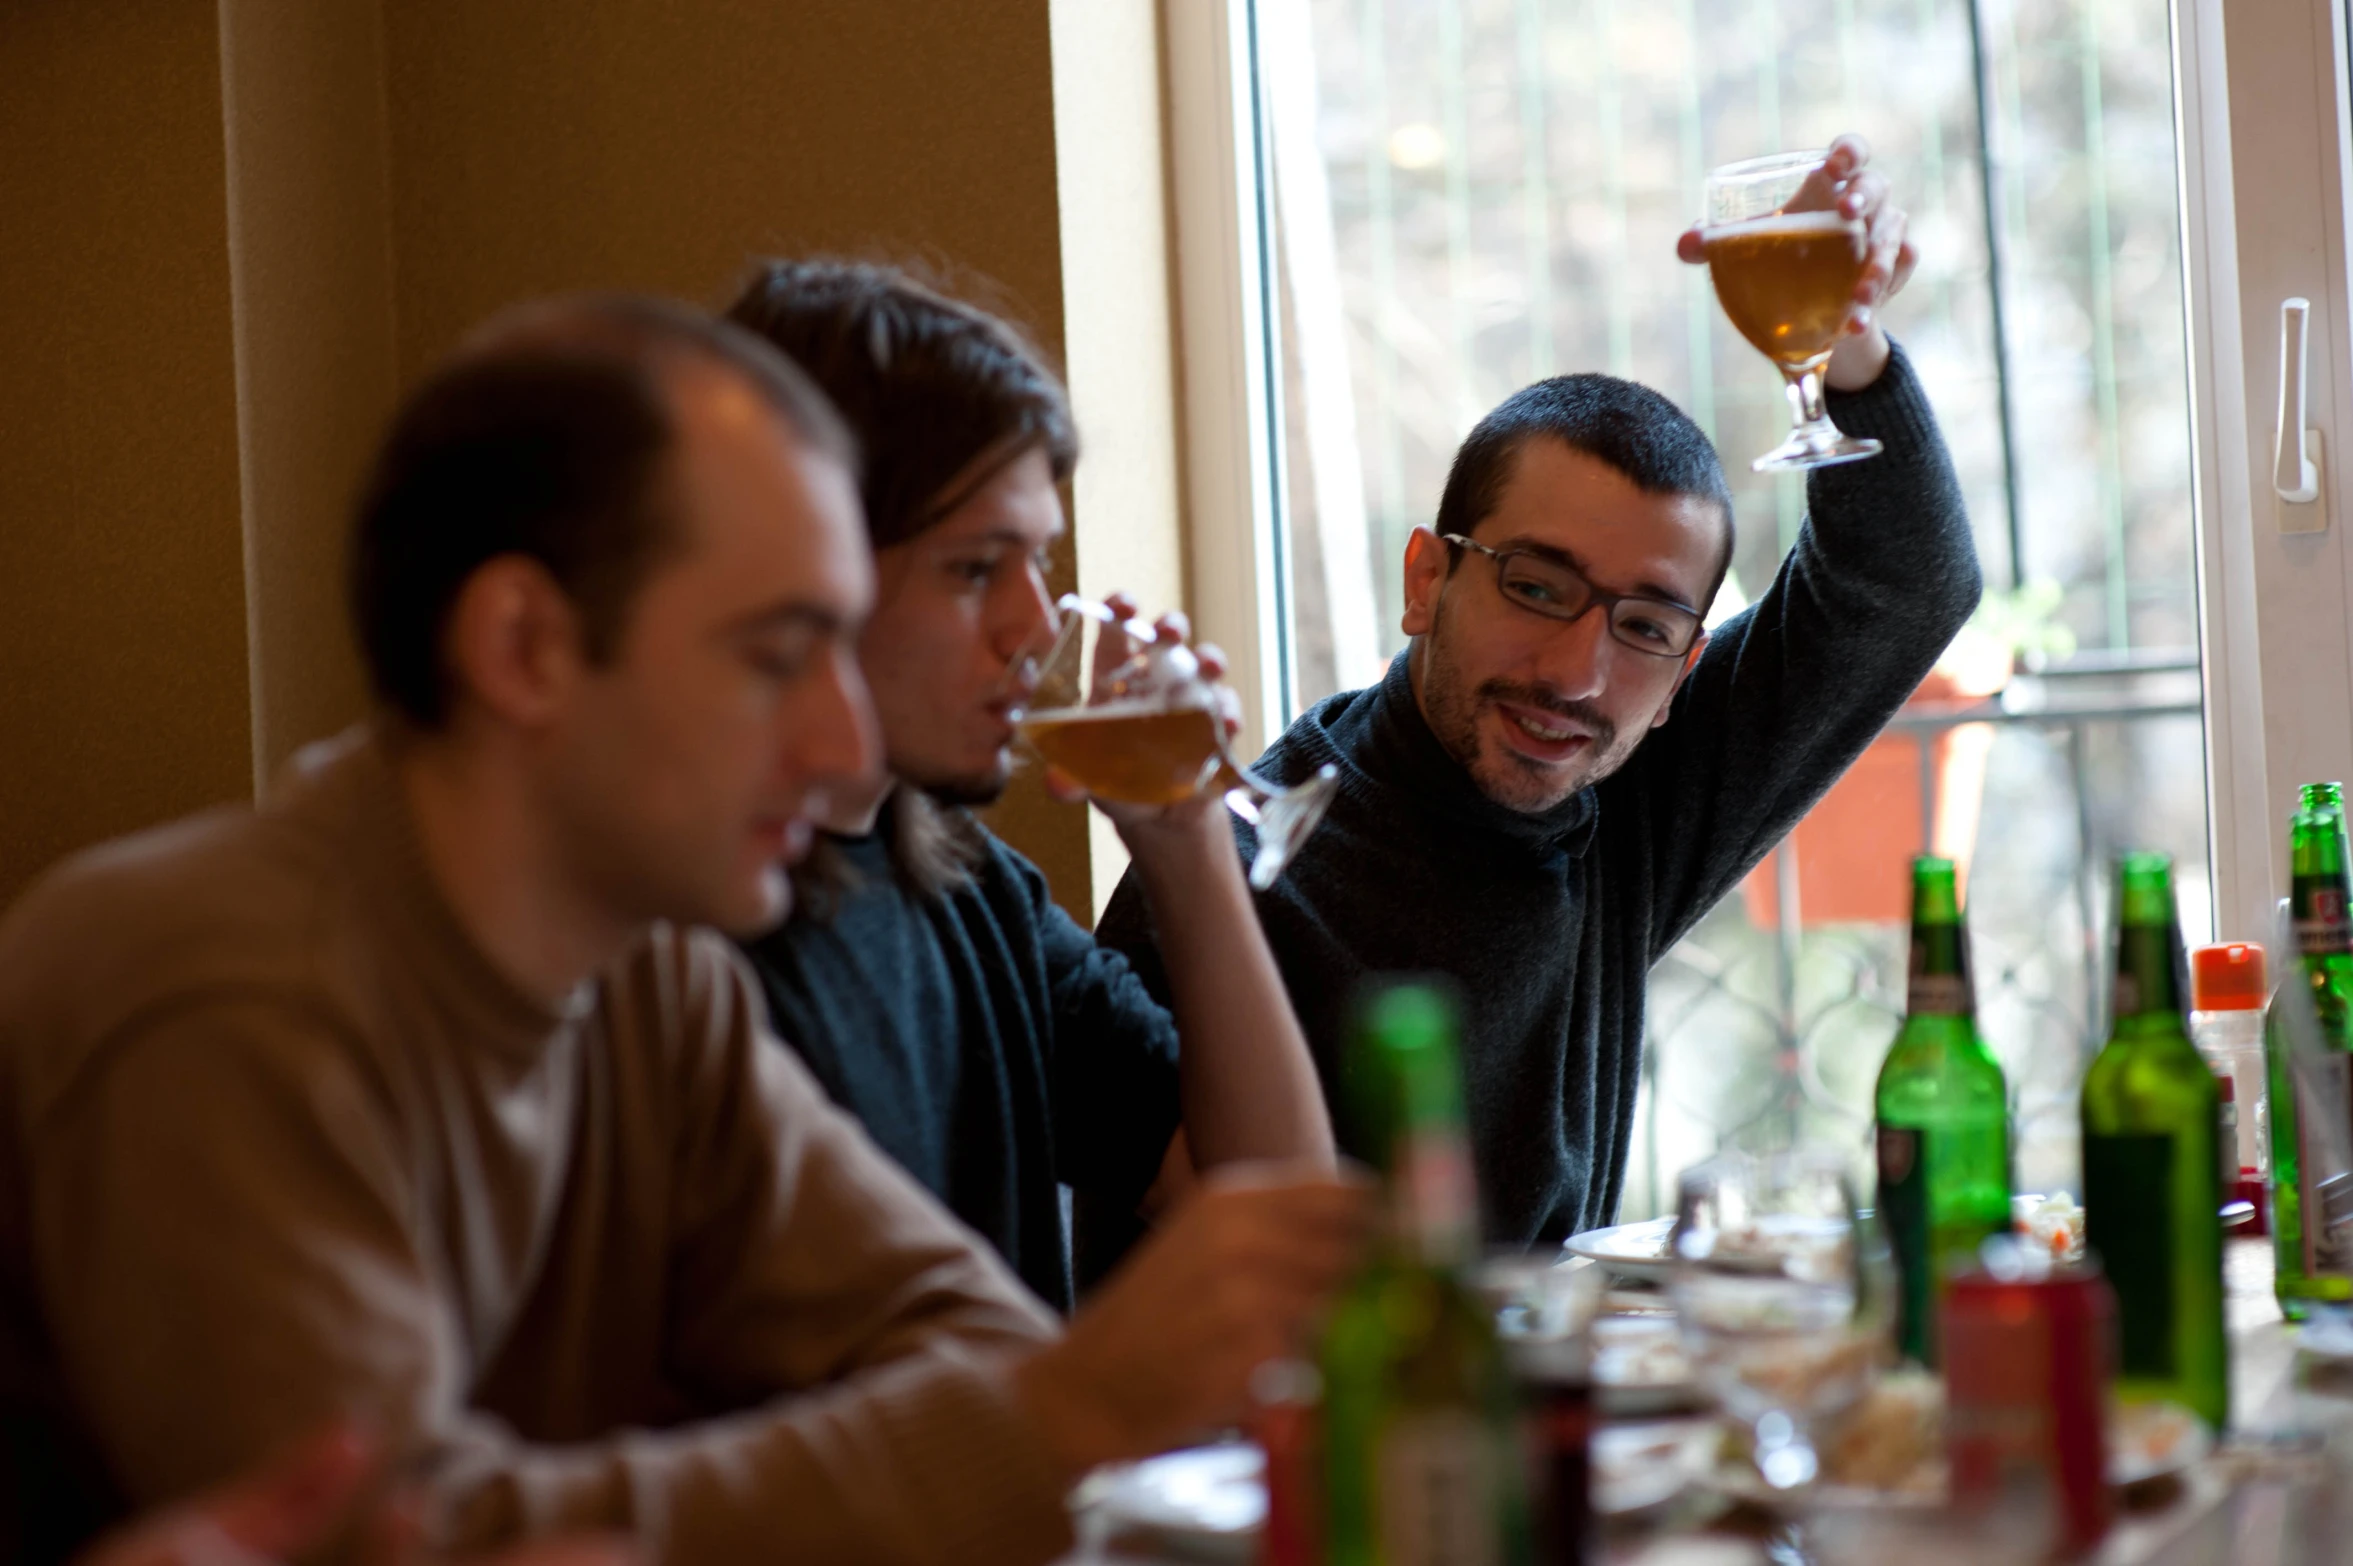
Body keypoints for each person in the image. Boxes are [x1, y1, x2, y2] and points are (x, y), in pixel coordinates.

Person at [0, 296, 1368, 1563]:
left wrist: (1054, 1409)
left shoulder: (645, 976)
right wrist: (1057, 1413)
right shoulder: (218, 988)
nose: (839, 736)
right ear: (525, 645)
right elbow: (390, 1532)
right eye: (774, 655)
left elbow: (946, 1330)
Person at [1100, 135, 1982, 1248]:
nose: (1577, 673)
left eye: (1647, 626)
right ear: (1427, 579)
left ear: (1679, 677)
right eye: (1533, 586)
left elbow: (1906, 586)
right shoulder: (1236, 871)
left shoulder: (1623, 795)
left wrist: (1846, 347)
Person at [719, 260, 1333, 1309]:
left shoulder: (974, 891)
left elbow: (1277, 1216)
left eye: (1038, 565)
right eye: (972, 570)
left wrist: (1184, 841)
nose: (1037, 628)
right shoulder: (691, 940)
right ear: (811, 568)